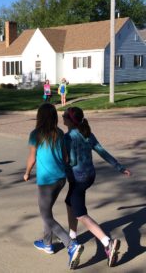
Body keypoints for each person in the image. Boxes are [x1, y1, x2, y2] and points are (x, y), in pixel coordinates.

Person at [62, 107, 131, 267]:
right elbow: (102, 151)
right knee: (69, 201)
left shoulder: (68, 138)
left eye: (64, 115)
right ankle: (72, 235)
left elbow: (71, 161)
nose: (62, 117)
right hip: (89, 176)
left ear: (70, 120)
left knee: (81, 214)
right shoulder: (87, 133)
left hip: (78, 179)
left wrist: (60, 166)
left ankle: (107, 242)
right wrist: (119, 167)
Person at [24, 103, 84, 269]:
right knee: (47, 211)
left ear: (40, 117)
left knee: (45, 216)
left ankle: (71, 245)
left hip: (46, 181)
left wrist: (27, 172)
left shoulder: (35, 134)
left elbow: (32, 157)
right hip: (60, 179)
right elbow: (65, 157)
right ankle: (47, 243)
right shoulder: (59, 133)